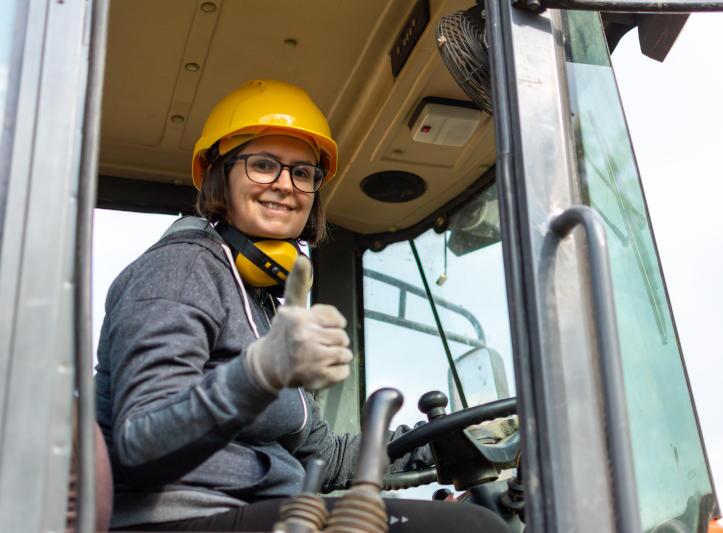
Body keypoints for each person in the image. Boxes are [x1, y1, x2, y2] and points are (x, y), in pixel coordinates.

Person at [95, 79, 509, 532]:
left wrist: (440, 443)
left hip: (270, 513)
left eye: (302, 173)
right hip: (186, 518)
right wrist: (257, 374)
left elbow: (322, 455)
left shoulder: (264, 303)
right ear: (219, 174)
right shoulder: (181, 269)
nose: (284, 185)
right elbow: (142, 442)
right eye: (262, 165)